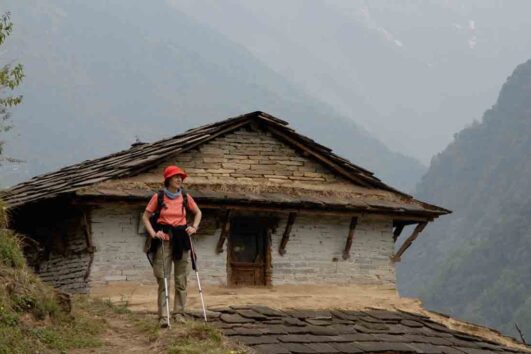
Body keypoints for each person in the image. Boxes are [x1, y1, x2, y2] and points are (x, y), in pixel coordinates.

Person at [142, 165, 202, 327]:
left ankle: (179, 313)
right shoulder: (159, 197)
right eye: (176, 177)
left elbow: (198, 212)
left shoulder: (184, 196)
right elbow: (146, 217)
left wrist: (194, 227)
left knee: (181, 279)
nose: (179, 179)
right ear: (168, 179)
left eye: (181, 177)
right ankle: (163, 316)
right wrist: (154, 233)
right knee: (163, 278)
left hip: (182, 238)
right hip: (164, 239)